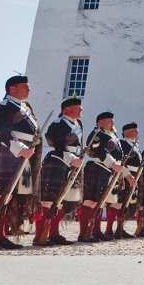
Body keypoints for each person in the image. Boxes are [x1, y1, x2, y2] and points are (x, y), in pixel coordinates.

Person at [0, 74, 39, 251]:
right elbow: (3, 131)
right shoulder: (4, 107)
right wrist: (20, 148)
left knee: (7, 197)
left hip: (23, 153)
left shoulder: (25, 107)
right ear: (12, 89)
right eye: (25, 86)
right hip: (7, 151)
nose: (29, 89)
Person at [35, 96, 84, 246]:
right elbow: (53, 141)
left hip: (74, 162)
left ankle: (54, 233)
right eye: (78, 107)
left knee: (62, 202)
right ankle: (40, 235)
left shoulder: (78, 123)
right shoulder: (58, 123)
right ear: (67, 110)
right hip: (59, 161)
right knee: (48, 202)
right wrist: (70, 157)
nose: (81, 109)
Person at [78, 111, 124, 242]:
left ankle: (96, 231)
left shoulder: (112, 135)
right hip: (96, 168)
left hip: (108, 170)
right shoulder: (97, 134)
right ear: (100, 122)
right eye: (109, 120)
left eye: (112, 120)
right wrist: (113, 163)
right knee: (90, 202)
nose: (112, 123)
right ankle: (84, 233)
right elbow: (97, 151)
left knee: (100, 202)